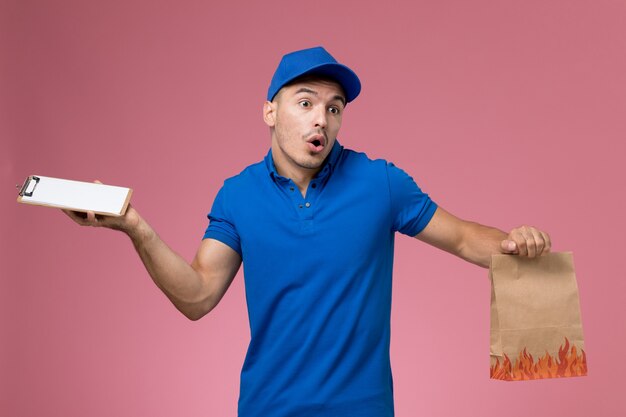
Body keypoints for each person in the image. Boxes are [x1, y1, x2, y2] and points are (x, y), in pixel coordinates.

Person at [64, 46, 551, 417]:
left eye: (334, 108)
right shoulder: (238, 195)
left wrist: (515, 243)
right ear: (270, 112)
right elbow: (197, 296)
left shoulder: (380, 182)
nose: (321, 119)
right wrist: (135, 227)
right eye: (305, 103)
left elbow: (466, 238)